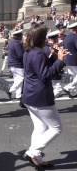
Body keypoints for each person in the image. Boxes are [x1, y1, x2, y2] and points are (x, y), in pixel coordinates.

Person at [22, 26, 68, 169]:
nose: (48, 40)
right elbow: (46, 75)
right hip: (40, 97)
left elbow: (40, 69)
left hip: (30, 96)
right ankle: (33, 152)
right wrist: (60, 60)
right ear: (41, 39)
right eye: (46, 37)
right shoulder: (38, 54)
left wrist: (54, 56)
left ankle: (37, 159)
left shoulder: (30, 51)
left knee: (40, 127)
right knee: (56, 128)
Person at [46, 30, 65, 97]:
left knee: (54, 84)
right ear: (54, 38)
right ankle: (51, 97)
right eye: (57, 38)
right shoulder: (52, 46)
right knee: (57, 86)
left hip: (52, 66)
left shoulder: (49, 45)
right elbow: (54, 56)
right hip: (54, 66)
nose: (58, 39)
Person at [7, 29, 25, 100]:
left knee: (17, 79)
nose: (22, 36)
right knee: (21, 78)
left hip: (12, 63)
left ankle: (18, 95)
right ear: (18, 36)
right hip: (17, 64)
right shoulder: (17, 43)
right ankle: (10, 90)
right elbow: (20, 55)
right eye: (21, 35)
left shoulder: (11, 42)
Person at [62, 22, 77, 97]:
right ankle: (69, 87)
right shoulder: (75, 37)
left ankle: (72, 91)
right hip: (74, 60)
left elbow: (63, 47)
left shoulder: (67, 37)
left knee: (73, 76)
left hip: (67, 59)